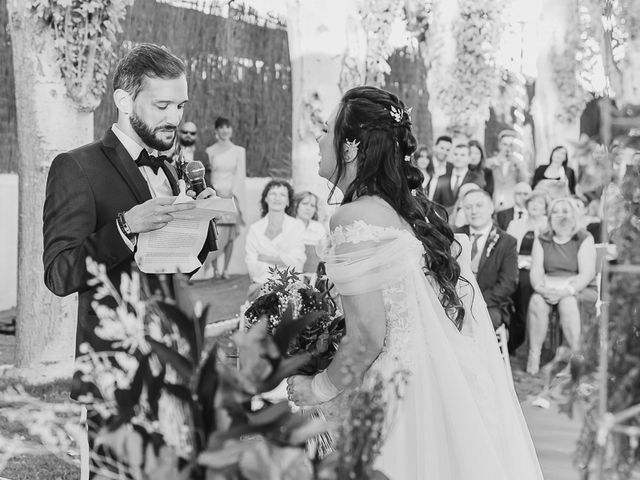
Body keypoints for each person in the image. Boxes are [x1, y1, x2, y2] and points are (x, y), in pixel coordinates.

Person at [287, 86, 543, 479]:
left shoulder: (354, 218)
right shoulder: (414, 211)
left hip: (398, 394)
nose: (320, 139)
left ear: (351, 147)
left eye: (326, 130)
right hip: (444, 381)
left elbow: (367, 336)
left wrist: (317, 388)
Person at [42, 43, 217, 474]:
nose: (174, 117)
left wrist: (199, 221)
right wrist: (124, 227)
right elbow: (59, 273)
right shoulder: (76, 167)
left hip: (176, 366)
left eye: (180, 105)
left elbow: (175, 266)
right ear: (124, 100)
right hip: (116, 372)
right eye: (162, 105)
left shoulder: (172, 168)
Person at [526, 198, 598, 375]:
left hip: (580, 288)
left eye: (565, 211)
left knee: (567, 303)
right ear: (550, 217)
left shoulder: (583, 238)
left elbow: (586, 273)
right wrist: (541, 288)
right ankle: (534, 354)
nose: (561, 216)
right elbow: (536, 270)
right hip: (550, 286)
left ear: (574, 215)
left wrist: (567, 291)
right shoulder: (542, 238)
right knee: (536, 301)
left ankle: (576, 358)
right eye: (556, 212)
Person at [457, 189, 518, 330]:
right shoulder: (454, 236)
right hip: (456, 301)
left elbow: (508, 284)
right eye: (468, 207)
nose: (474, 211)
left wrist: (476, 301)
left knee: (479, 322)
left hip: (490, 304)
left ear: (491, 208)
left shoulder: (507, 242)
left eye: (479, 205)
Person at [506, 191, 549, 353]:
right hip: (514, 266)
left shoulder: (547, 225)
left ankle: (520, 337)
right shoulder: (515, 223)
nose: (535, 205)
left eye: (540, 203)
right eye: (532, 202)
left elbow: (548, 253)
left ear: (545, 208)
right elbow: (507, 249)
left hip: (536, 270)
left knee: (523, 283)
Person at [245, 179, 306, 293]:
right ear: (266, 199)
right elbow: (252, 268)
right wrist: (283, 262)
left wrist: (266, 258)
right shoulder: (255, 229)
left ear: (288, 201)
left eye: (282, 195)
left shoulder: (297, 226)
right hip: (260, 288)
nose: (277, 198)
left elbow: (297, 262)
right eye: (273, 194)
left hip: (291, 288)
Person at [206, 117, 246, 279]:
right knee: (215, 233)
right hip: (215, 197)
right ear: (216, 130)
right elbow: (208, 175)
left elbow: (240, 175)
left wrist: (235, 196)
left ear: (231, 129)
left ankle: (226, 270)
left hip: (231, 196)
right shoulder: (209, 151)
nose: (224, 130)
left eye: (227, 127)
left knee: (230, 234)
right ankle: (215, 269)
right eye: (221, 127)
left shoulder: (239, 151)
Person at [432, 143, 483, 215]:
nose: (458, 157)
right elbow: (435, 204)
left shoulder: (476, 179)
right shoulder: (441, 178)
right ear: (451, 157)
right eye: (455, 154)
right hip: (443, 222)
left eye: (462, 155)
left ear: (469, 159)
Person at [486, 129, 530, 211]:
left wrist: (518, 165)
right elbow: (485, 169)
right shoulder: (493, 161)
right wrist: (498, 159)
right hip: (493, 204)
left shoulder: (519, 163)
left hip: (511, 204)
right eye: (505, 144)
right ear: (499, 145)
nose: (507, 148)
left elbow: (525, 182)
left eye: (510, 145)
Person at [293, 191, 327, 273]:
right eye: (304, 204)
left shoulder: (319, 228)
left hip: (312, 276)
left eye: (312, 205)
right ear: (296, 205)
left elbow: (324, 255)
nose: (308, 208)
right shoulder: (286, 225)